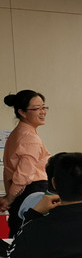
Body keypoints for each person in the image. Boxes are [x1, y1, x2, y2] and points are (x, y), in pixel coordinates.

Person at [1, 90, 51, 237]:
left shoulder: (17, 133)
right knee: (31, 236)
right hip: (31, 191)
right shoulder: (30, 137)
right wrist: (9, 199)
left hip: (22, 192)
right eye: (37, 108)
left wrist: (10, 197)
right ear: (22, 112)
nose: (43, 112)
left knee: (19, 234)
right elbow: (24, 175)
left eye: (44, 107)